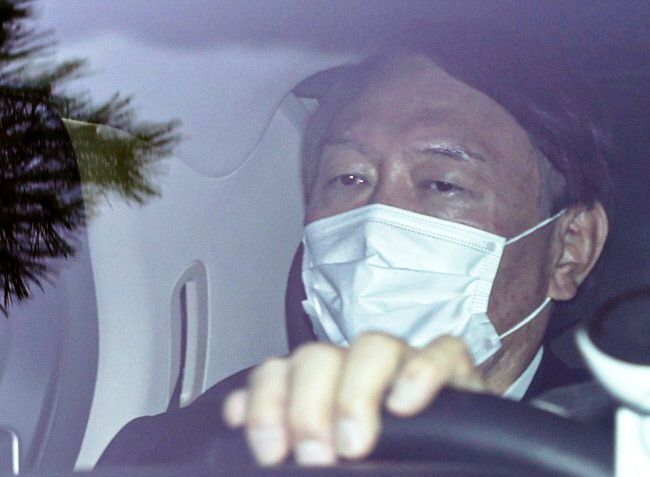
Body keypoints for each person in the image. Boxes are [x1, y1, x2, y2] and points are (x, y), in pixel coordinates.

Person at [98, 30, 613, 468]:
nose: (376, 222)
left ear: (570, 248)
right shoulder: (186, 446)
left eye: (442, 184)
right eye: (348, 178)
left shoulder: (618, 446)